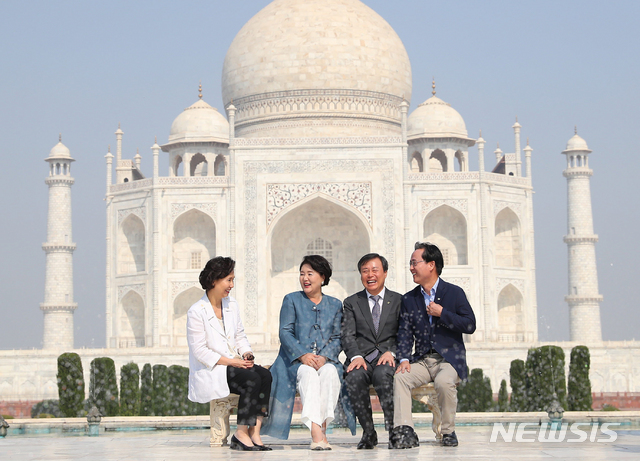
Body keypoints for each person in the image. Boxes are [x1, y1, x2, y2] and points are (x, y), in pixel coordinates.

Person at [390, 242, 476, 448]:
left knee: (444, 382)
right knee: (401, 377)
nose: (411, 267)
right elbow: (404, 333)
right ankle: (404, 431)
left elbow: (470, 324)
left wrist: (442, 313)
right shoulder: (410, 298)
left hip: (448, 359)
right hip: (421, 359)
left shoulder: (454, 293)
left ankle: (448, 431)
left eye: (414, 263)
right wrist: (403, 358)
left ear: (431, 265)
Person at [187, 257, 272, 451]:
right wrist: (233, 363)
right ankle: (241, 433)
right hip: (214, 368)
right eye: (229, 280)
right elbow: (200, 351)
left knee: (265, 375)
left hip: (233, 363)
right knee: (251, 379)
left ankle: (255, 432)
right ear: (214, 280)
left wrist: (247, 353)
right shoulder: (196, 312)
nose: (232, 285)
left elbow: (239, 335)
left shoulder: (231, 304)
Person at [262, 255, 345, 450]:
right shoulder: (291, 300)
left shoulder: (335, 304)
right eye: (302, 274)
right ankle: (316, 432)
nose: (305, 278)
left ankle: (323, 427)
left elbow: (338, 337)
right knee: (308, 374)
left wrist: (324, 357)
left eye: (310, 274)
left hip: (325, 361)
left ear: (322, 277)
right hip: (294, 363)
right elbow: (285, 332)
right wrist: (303, 355)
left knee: (331, 373)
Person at [341, 253, 401, 449]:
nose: (370, 275)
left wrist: (392, 352)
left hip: (387, 358)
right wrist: (356, 356)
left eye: (375, 270)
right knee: (354, 376)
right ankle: (368, 433)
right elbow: (347, 335)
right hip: (362, 358)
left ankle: (393, 431)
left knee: (384, 375)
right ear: (360, 275)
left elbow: (406, 334)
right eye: (365, 271)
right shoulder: (352, 302)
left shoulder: (399, 301)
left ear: (384, 273)